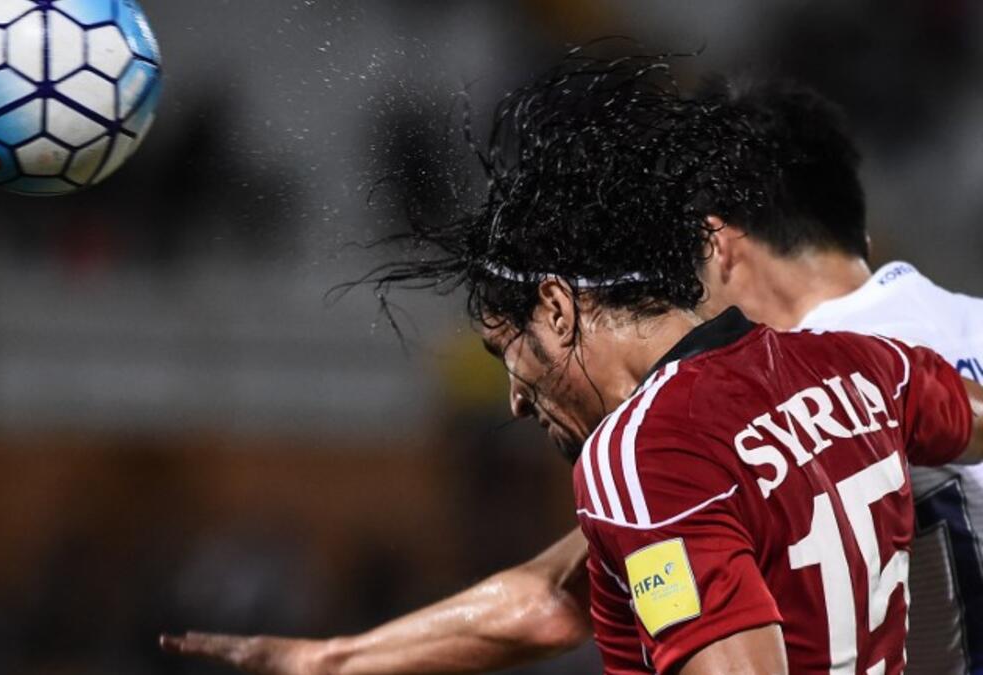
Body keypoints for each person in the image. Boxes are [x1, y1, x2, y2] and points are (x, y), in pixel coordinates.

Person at [161, 53, 983, 673]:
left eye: (505, 351)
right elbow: (552, 601)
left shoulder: (640, 455)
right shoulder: (865, 368)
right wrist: (332, 659)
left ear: (556, 307)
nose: (514, 397)